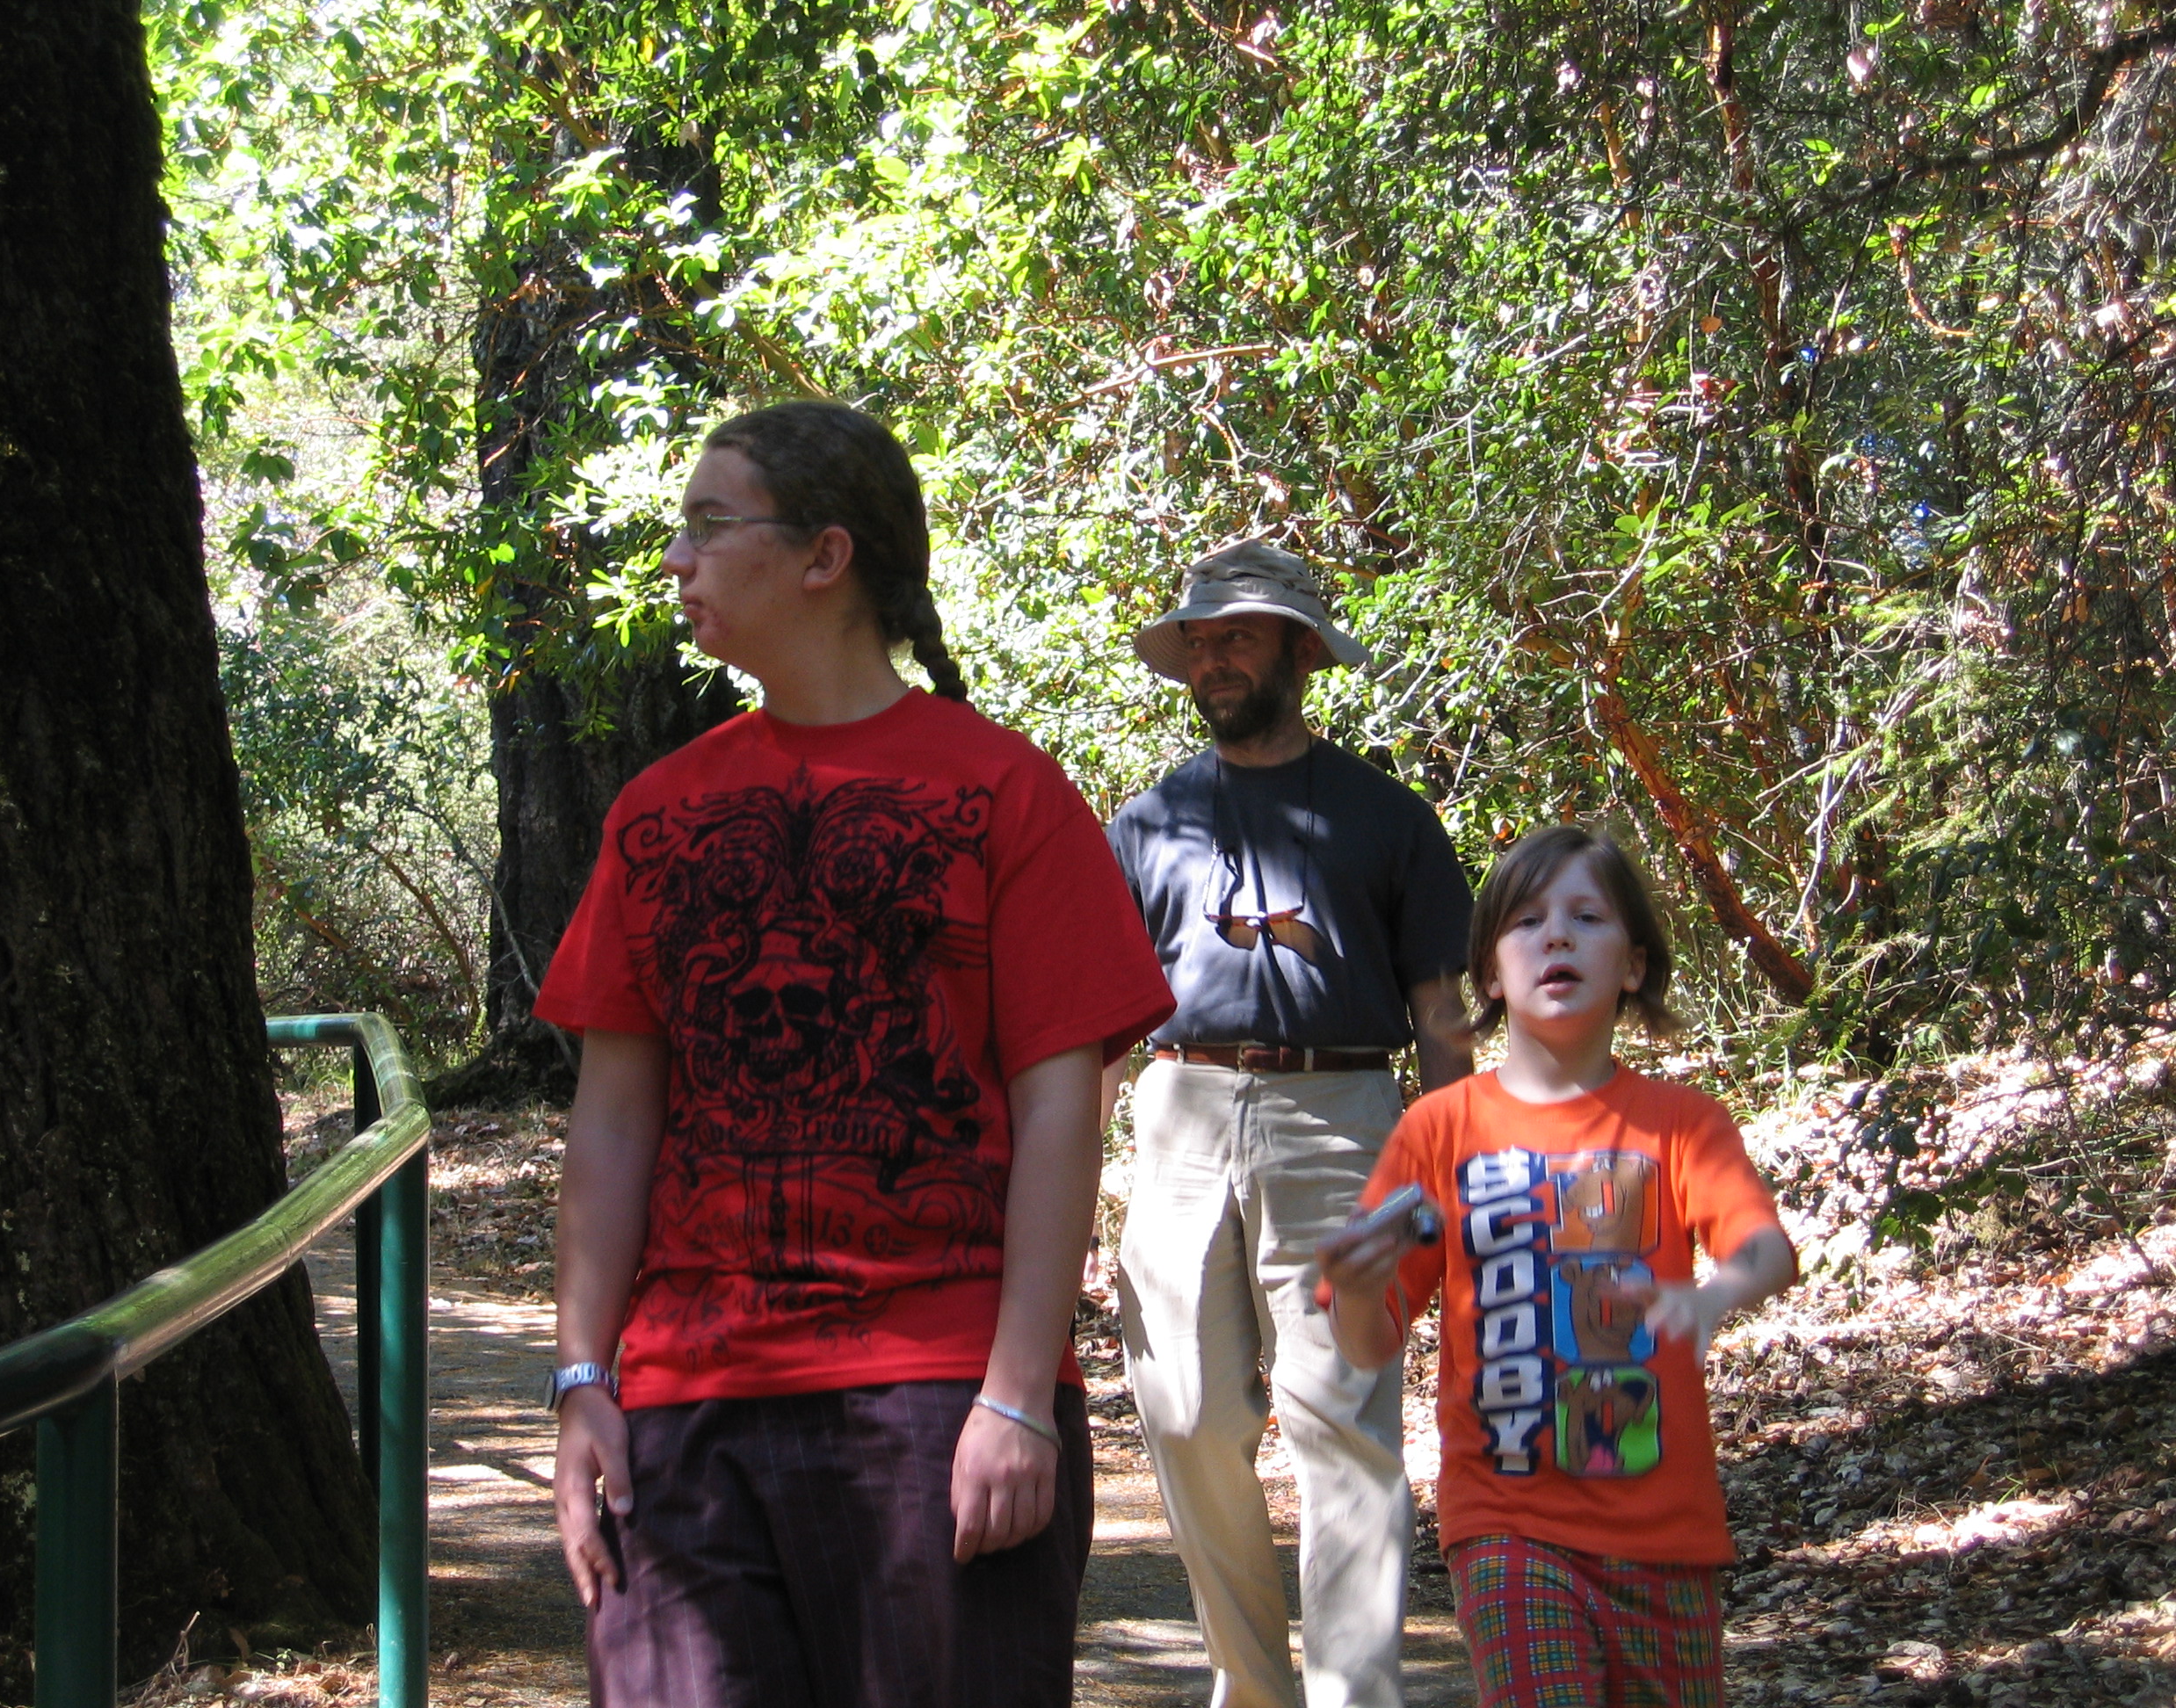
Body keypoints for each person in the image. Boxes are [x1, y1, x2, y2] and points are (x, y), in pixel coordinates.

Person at [533, 401, 1176, 1708]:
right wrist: (582, 1379)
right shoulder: (658, 811)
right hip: (683, 1408)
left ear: (825, 557)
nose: (677, 559)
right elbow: (613, 1119)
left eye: (710, 526)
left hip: (936, 1398)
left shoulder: (1007, 792)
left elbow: (1063, 1110)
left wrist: (1018, 1395)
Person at [1106, 539, 1475, 1708]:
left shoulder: (1390, 820)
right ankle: (1252, 1685)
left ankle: (1355, 1696)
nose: (1214, 659)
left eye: (1240, 637)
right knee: (1185, 1413)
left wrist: (1450, 1183)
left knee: (1344, 1424)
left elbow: (1441, 1017)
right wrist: (1058, 1187)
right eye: (1200, 641)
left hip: (1345, 1119)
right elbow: (1101, 1030)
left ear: (1300, 652)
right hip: (1178, 1116)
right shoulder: (1148, 823)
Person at [1319, 824, 1797, 1708]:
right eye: (1528, 920)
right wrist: (1354, 1291)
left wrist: (1715, 1295)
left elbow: (1766, 1246)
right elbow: (1369, 1341)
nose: (1558, 937)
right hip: (1506, 1525)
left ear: (1634, 966)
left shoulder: (1681, 1122)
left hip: (1666, 1535)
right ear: (1490, 975)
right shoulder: (1439, 1129)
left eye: (1587, 917)